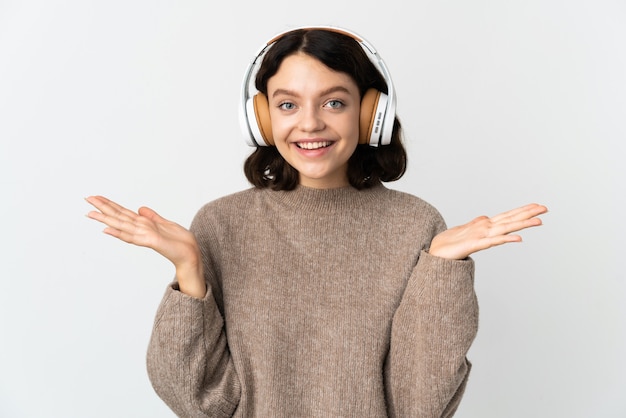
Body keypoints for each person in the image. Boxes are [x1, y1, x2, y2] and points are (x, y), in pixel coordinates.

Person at [86, 26, 547, 418]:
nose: (309, 124)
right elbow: (199, 401)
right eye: (287, 105)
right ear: (262, 119)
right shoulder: (221, 223)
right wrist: (189, 271)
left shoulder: (416, 223)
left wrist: (443, 267)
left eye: (334, 103)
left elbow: (417, 405)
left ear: (370, 114)